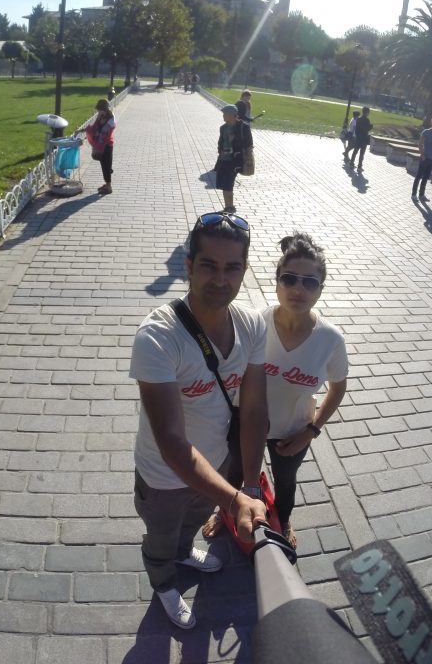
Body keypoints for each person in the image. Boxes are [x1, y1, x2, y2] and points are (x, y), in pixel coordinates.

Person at [129, 212, 268, 629]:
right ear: (188, 266)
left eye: (233, 268)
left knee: (190, 524)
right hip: (164, 475)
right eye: (209, 265)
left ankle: (185, 553)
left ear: (244, 270)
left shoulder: (251, 323)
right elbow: (171, 441)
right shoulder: (157, 337)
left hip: (217, 467)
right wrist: (234, 500)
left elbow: (255, 409)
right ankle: (164, 583)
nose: (221, 279)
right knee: (160, 536)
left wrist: (247, 483)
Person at [263, 233, 348, 548]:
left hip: (293, 430)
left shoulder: (330, 339)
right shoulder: (256, 323)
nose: (298, 289)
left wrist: (311, 430)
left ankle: (283, 521)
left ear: (320, 289)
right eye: (289, 279)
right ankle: (225, 510)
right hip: (246, 421)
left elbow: (337, 389)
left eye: (310, 282)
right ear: (277, 283)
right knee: (233, 472)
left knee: (285, 482)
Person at [216, 104, 253, 214]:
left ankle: (230, 207)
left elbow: (249, 143)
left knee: (228, 183)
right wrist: (220, 150)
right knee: (224, 184)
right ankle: (227, 207)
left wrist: (235, 143)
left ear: (231, 115)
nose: (223, 116)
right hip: (223, 159)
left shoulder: (243, 127)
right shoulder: (223, 128)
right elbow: (220, 142)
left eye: (225, 114)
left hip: (235, 160)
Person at [85, 98, 116, 195]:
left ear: (104, 109)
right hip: (100, 144)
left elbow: (103, 133)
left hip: (107, 145)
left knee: (106, 165)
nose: (98, 112)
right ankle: (107, 182)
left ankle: (109, 187)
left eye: (99, 110)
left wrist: (96, 137)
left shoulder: (111, 120)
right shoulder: (100, 117)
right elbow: (94, 128)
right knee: (104, 165)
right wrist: (86, 130)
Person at [412, 116, 432, 201]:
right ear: (431, 123)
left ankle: (421, 195)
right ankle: (414, 194)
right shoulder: (426, 132)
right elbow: (420, 143)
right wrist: (422, 154)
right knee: (419, 176)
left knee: (426, 177)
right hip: (425, 157)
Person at [348, 106, 373, 172]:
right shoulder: (367, 120)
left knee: (355, 151)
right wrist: (371, 126)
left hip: (358, 138)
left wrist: (357, 135)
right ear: (367, 112)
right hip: (364, 139)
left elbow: (356, 129)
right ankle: (359, 166)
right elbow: (367, 129)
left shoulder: (358, 119)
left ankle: (351, 163)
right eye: (368, 112)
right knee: (361, 154)